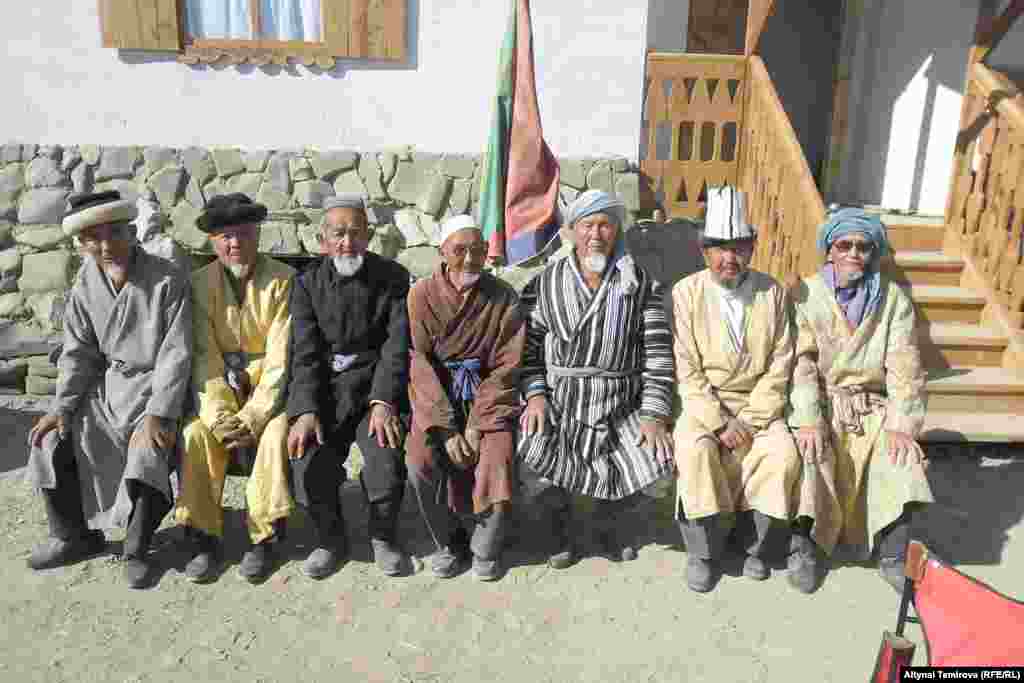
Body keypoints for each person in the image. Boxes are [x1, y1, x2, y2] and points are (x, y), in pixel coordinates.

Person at [25, 190, 192, 589]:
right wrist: (62, 406)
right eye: (93, 239)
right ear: (82, 245)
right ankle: (72, 536)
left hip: (155, 389)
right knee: (51, 439)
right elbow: (79, 352)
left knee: (148, 450)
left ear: (131, 232)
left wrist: (159, 411)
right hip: (109, 388)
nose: (106, 246)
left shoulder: (167, 279)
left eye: (114, 234)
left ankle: (136, 548)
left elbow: (177, 352)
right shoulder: (86, 283)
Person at [518, 190, 676, 568]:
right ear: (571, 231)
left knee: (659, 459)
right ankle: (560, 530)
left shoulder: (638, 282)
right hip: (561, 398)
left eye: (605, 224)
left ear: (616, 230)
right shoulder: (546, 282)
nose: (596, 234)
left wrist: (654, 414)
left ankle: (608, 524)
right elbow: (527, 349)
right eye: (587, 224)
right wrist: (536, 395)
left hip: (622, 401)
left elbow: (657, 353)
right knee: (532, 447)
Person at [787, 208, 932, 593]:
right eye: (844, 245)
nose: (854, 253)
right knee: (810, 452)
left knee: (903, 460)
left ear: (874, 252)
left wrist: (902, 425)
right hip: (823, 401)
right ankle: (806, 548)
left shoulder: (893, 299)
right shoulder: (806, 294)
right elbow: (801, 364)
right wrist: (808, 418)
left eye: (863, 247)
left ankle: (892, 553)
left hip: (872, 405)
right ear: (829, 250)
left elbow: (905, 366)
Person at [671, 186, 801, 593]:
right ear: (704, 250)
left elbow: (781, 363)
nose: (730, 258)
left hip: (758, 407)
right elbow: (687, 369)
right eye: (720, 248)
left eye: (739, 247)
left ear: (752, 247)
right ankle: (703, 553)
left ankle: (755, 549)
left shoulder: (772, 292)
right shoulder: (686, 293)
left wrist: (748, 419)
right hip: (705, 404)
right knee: (696, 450)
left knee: (781, 454)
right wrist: (719, 420)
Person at [286, 194, 411, 579]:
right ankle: (330, 540)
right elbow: (304, 354)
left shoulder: (392, 278)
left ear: (368, 235)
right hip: (326, 392)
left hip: (375, 388)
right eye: (338, 234)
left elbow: (396, 346)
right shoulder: (307, 284)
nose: (347, 242)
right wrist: (305, 409)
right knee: (307, 460)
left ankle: (383, 538)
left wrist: (384, 400)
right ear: (322, 239)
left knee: (385, 458)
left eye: (355, 233)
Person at [174, 193, 296, 583]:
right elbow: (202, 354)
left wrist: (253, 415)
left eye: (243, 233)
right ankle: (203, 536)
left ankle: (264, 537)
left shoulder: (284, 280)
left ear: (257, 234)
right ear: (212, 241)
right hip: (218, 394)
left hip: (268, 395)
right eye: (225, 236)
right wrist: (221, 415)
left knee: (276, 435)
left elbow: (281, 356)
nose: (235, 244)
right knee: (196, 433)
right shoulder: (197, 284)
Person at [406, 215, 524, 581]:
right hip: (436, 399)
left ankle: (485, 546)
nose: (471, 259)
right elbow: (418, 362)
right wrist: (444, 427)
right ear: (443, 252)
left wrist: (475, 426)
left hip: (489, 399)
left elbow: (507, 366)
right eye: (460, 250)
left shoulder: (503, 297)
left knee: (497, 457)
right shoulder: (421, 295)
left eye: (478, 250)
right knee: (419, 461)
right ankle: (450, 541)